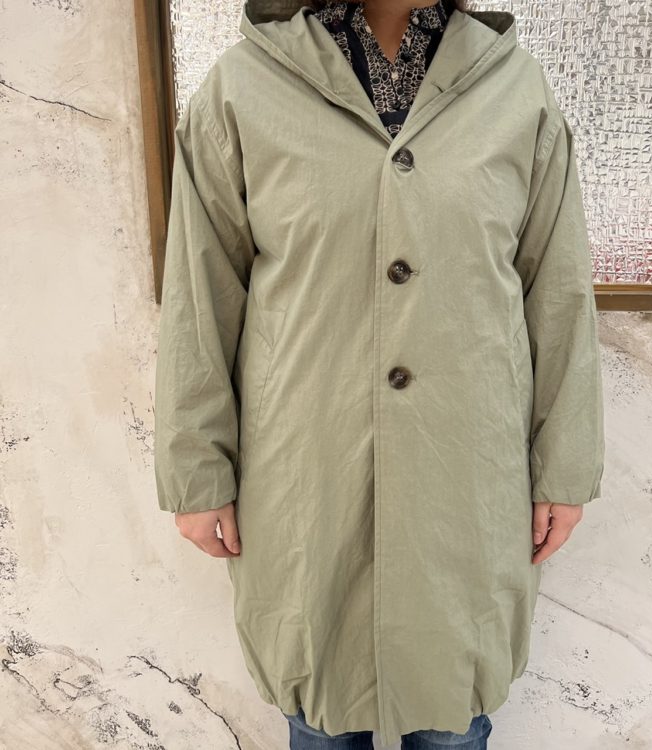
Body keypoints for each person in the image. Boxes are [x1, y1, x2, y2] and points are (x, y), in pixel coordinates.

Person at [153, 0, 606, 748]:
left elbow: (558, 294)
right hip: (308, 477)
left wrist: (565, 465)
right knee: (322, 715)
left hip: (466, 480)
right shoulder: (244, 88)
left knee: (454, 717)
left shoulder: (514, 89)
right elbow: (199, 299)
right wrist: (197, 470)